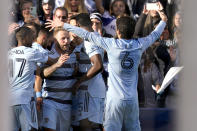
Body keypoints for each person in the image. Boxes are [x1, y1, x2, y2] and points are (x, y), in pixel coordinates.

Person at [46, 7, 167, 131]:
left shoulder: (110, 44)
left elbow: (87, 34)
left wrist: (63, 25)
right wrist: (163, 19)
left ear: (118, 31)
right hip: (132, 100)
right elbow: (155, 34)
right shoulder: (140, 44)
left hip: (114, 99)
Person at [69, 13, 106, 131]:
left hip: (90, 90)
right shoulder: (94, 36)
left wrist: (78, 82)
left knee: (86, 125)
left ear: (79, 26)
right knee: (96, 125)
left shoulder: (88, 39)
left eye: (74, 27)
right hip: (94, 88)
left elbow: (98, 65)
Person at [8, 26, 48, 131]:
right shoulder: (31, 52)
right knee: (30, 129)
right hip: (24, 98)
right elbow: (49, 59)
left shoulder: (8, 53)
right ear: (25, 38)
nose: (33, 40)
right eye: (32, 37)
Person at [41, 27, 76, 131]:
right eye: (63, 39)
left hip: (67, 104)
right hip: (50, 101)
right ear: (55, 40)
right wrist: (57, 64)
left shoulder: (73, 56)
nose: (66, 41)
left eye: (68, 38)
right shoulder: (48, 55)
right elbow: (43, 73)